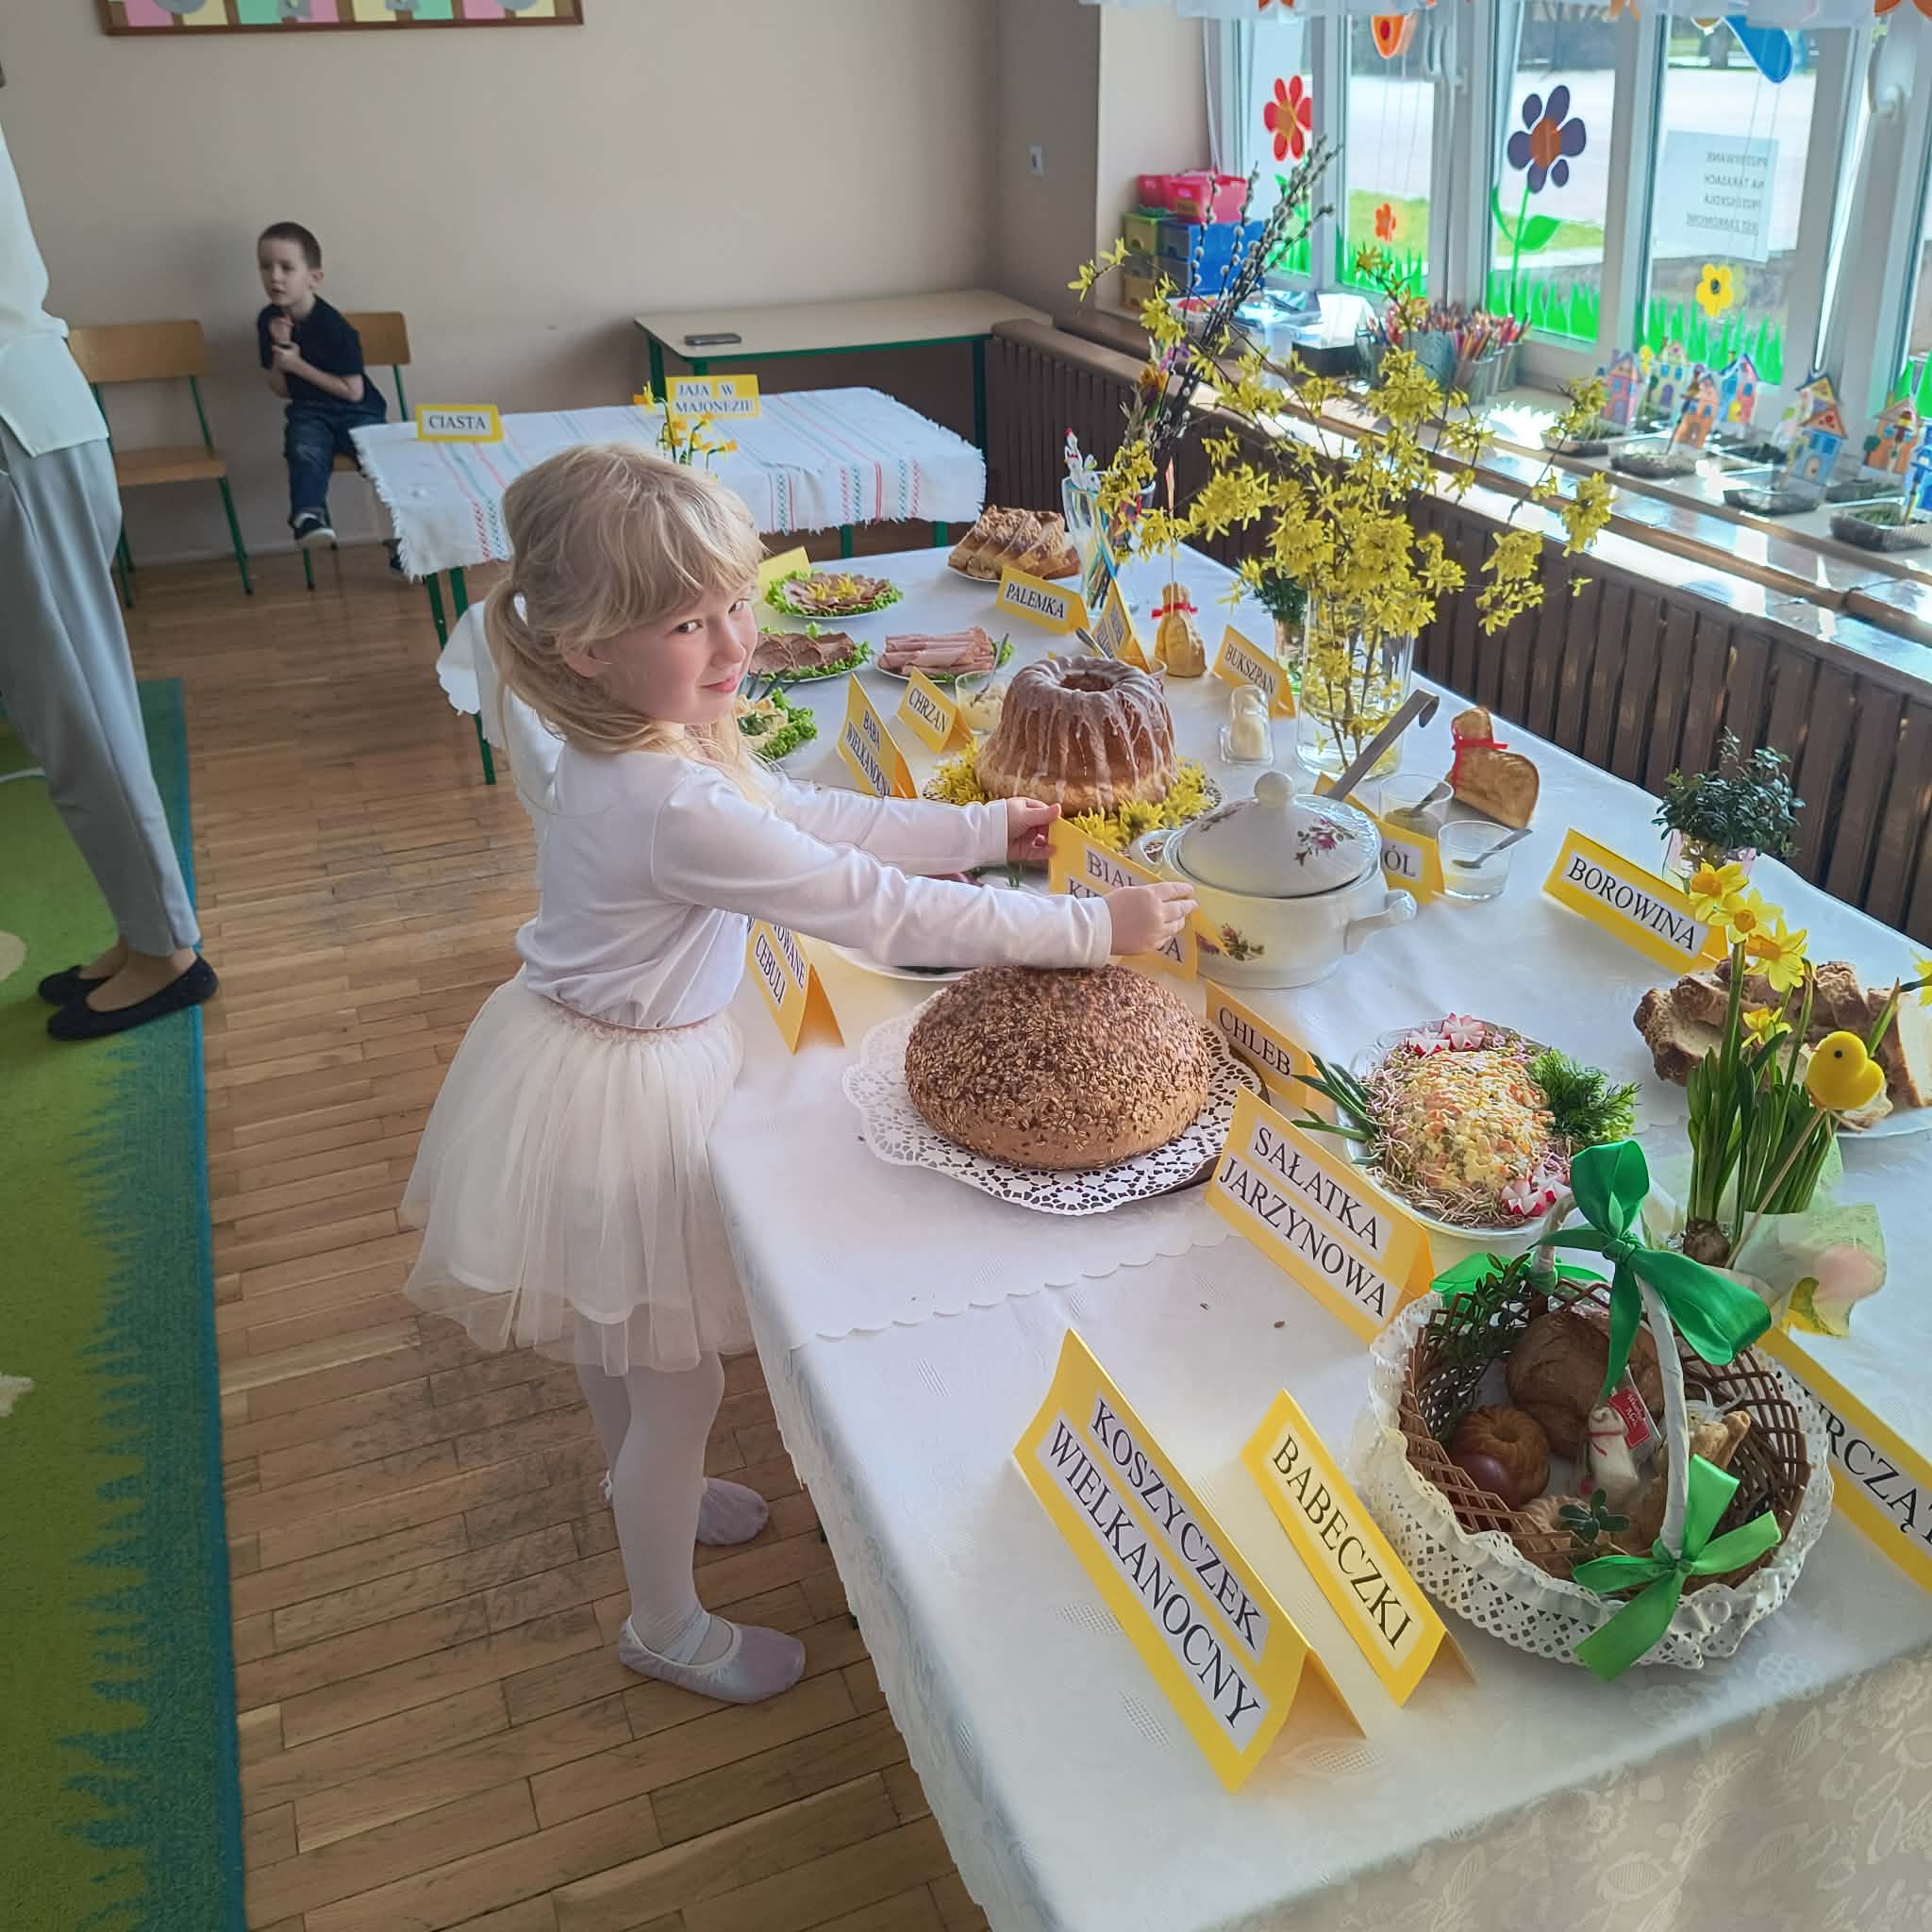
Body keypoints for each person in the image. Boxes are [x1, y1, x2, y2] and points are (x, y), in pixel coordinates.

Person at [399, 445, 1194, 1706]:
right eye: (686, 623)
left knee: (617, 1327)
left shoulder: (645, 743)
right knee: (678, 1379)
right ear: (587, 648)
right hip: (621, 1095)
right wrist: (1093, 926)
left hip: (571, 1061)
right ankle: (663, 1620)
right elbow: (873, 908)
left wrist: (984, 825)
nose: (734, 642)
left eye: (735, 602)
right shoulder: (668, 801)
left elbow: (816, 818)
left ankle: (636, 1476)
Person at [0, 117, 216, 1041]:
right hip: (30, 417)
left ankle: (166, 950)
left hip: (15, 428)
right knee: (70, 712)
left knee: (79, 713)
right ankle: (143, 932)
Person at [256, 221, 386, 548]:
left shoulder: (334, 328)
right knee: (304, 448)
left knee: (380, 462)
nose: (275, 277)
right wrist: (280, 349)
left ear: (313, 277)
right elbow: (281, 389)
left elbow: (353, 392)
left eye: (287, 268)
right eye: (266, 266)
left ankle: (402, 538)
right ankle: (308, 518)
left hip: (357, 410)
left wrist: (297, 365)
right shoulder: (269, 321)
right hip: (309, 410)